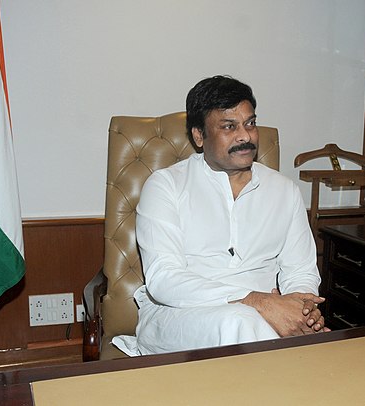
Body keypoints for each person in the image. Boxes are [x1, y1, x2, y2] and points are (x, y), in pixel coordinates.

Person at [132, 75, 328, 354]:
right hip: (178, 316)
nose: (245, 136)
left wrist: (302, 309)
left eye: (250, 123)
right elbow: (165, 279)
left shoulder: (284, 190)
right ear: (199, 136)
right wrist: (256, 302)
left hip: (268, 318)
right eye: (229, 126)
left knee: (257, 327)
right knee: (239, 321)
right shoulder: (166, 186)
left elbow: (300, 270)